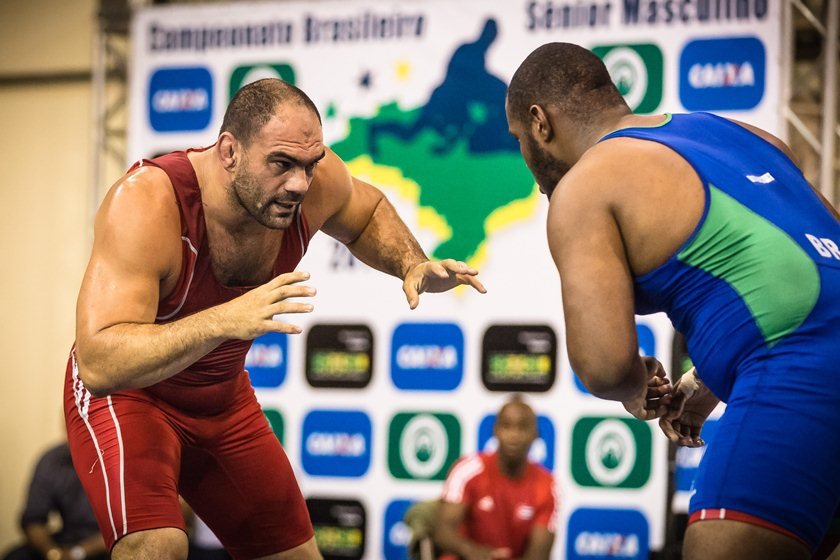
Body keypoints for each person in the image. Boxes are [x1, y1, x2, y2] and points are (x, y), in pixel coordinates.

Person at [64, 78, 485, 560]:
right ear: (229, 152)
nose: (300, 184)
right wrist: (222, 320)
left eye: (311, 165)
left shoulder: (309, 186)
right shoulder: (148, 202)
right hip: (129, 398)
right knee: (157, 547)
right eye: (282, 165)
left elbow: (365, 212)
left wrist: (411, 262)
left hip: (221, 400)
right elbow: (99, 363)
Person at [505, 42, 840, 560]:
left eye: (519, 141)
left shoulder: (585, 187)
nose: (525, 159)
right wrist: (708, 379)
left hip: (798, 372)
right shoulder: (747, 135)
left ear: (539, 122)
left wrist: (639, 386)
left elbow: (605, 365)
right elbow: (814, 266)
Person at [434, 397, 556, 560]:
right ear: (495, 430)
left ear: (535, 435)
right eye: (506, 426)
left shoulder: (547, 485)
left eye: (522, 427)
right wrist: (472, 552)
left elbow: (539, 555)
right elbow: (442, 531)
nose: (514, 435)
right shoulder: (467, 470)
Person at [2, 442, 107, 560]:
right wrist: (51, 552)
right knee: (15, 557)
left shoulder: (120, 457)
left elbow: (128, 530)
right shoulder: (52, 460)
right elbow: (33, 519)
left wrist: (79, 553)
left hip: (107, 545)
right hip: (68, 540)